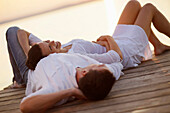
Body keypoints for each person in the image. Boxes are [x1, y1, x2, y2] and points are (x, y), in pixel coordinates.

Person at [22, 0, 170, 71]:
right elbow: (112, 59)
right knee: (148, 8)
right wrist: (108, 41)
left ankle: (158, 45)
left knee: (133, 4)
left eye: (47, 41)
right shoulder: (74, 58)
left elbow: (32, 40)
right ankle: (157, 44)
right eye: (50, 46)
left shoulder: (63, 49)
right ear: (52, 56)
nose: (52, 41)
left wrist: (98, 43)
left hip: (116, 40)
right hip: (126, 51)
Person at [6, 26, 123, 112]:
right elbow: (117, 62)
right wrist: (30, 57)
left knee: (12, 31)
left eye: (98, 65)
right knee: (18, 33)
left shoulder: (58, 85)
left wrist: (70, 92)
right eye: (100, 65)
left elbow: (25, 106)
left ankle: (20, 81)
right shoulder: (88, 65)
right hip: (38, 59)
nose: (98, 64)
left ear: (84, 72)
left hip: (30, 73)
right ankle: (22, 72)